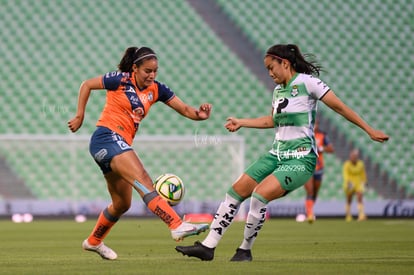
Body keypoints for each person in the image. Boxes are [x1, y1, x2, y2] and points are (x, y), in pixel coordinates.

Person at [175, 43, 389, 262]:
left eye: (271, 67)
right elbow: (273, 121)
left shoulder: (308, 83)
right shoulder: (278, 91)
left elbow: (340, 108)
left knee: (259, 196)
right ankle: (208, 246)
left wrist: (369, 130)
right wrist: (242, 122)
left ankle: (244, 250)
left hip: (301, 158)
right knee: (235, 191)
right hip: (276, 154)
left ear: (284, 63)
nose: (269, 73)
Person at [68, 46, 212, 260]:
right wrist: (80, 116)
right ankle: (176, 224)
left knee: (122, 204)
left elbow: (185, 109)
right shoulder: (120, 80)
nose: (151, 75)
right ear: (135, 68)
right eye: (147, 71)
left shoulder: (157, 89)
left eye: (155, 71)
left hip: (115, 146)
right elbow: (87, 84)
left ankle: (94, 242)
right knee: (143, 179)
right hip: (106, 137)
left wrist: (200, 115)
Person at [303, 118, 334, 223]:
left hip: (319, 167)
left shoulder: (322, 135)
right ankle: (310, 214)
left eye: (316, 123)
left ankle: (309, 210)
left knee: (315, 193)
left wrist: (321, 148)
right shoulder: (305, 135)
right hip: (307, 167)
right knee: (310, 191)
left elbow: (331, 149)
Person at [343, 149, 367, 222]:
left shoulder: (361, 164)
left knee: (359, 197)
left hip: (358, 183)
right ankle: (348, 215)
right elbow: (345, 174)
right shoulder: (347, 164)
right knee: (349, 199)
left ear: (357, 157)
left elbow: (363, 173)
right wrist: (347, 182)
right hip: (350, 183)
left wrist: (365, 181)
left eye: (354, 157)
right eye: (352, 156)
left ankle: (361, 215)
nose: (353, 158)